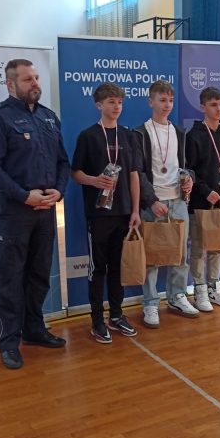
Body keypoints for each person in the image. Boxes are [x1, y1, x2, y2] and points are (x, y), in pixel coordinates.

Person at [0, 59, 70, 371]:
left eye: (36, 78)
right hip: (14, 212)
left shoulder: (49, 118)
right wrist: (24, 196)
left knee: (39, 274)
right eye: (28, 79)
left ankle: (34, 330)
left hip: (46, 211)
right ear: (10, 84)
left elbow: (63, 162)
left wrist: (58, 191)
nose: (35, 83)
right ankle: (8, 343)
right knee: (11, 278)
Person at [71, 82, 141, 344]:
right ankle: (97, 320)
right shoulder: (88, 136)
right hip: (99, 214)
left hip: (124, 213)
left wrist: (135, 210)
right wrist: (94, 180)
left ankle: (117, 315)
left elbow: (134, 175)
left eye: (120, 102)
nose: (117, 107)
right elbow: (75, 173)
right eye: (111, 102)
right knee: (97, 268)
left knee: (117, 268)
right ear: (99, 105)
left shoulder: (128, 136)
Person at [133, 80, 197, 328]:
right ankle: (150, 302)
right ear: (151, 102)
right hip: (153, 202)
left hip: (178, 201)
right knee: (151, 256)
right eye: (162, 100)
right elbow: (137, 172)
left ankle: (177, 296)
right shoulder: (140, 132)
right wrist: (151, 200)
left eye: (170, 100)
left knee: (180, 253)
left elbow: (187, 165)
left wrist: (189, 178)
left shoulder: (180, 132)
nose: (167, 105)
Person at [185, 86, 220, 311]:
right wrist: (205, 190)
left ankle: (213, 287)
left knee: (217, 246)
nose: (218, 109)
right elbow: (188, 171)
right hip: (200, 202)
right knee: (199, 248)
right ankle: (199, 290)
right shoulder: (194, 136)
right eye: (213, 105)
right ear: (203, 107)